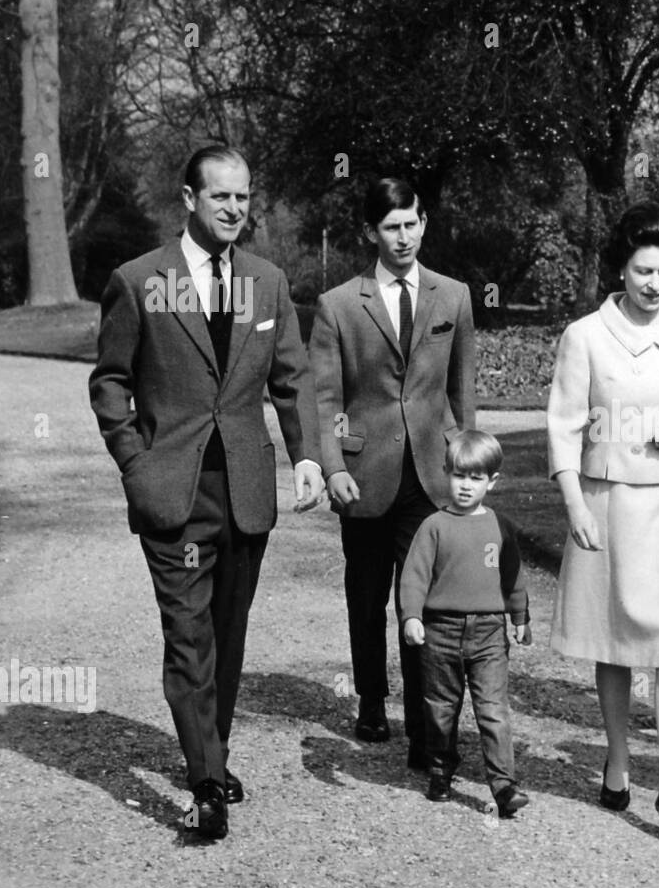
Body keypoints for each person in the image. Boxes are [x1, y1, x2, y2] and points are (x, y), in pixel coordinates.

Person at [89, 145, 325, 839]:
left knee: (227, 634)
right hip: (174, 491)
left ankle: (211, 751)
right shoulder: (139, 281)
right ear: (188, 198)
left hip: (245, 488)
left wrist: (306, 456)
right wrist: (137, 462)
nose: (234, 209)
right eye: (220, 197)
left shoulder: (267, 282)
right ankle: (204, 782)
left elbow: (293, 378)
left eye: (243, 198)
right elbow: (109, 382)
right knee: (189, 638)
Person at [547, 199, 659, 846]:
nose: (657, 284)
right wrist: (572, 505)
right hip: (606, 505)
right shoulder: (586, 337)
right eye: (644, 271)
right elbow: (564, 426)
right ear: (620, 270)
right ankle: (619, 757)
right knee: (615, 643)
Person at [310, 178, 476, 765]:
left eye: (410, 224)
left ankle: (422, 714)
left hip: (429, 474)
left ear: (424, 223)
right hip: (364, 472)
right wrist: (332, 467)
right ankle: (371, 697)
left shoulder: (452, 296)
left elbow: (462, 391)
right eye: (389, 227)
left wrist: (467, 460)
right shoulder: (338, 306)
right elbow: (326, 398)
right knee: (367, 593)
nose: (402, 237)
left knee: (422, 597)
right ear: (369, 233)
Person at [399, 430, 532, 817]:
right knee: (441, 707)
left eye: (476, 478)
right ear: (446, 473)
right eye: (459, 476)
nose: (465, 486)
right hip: (440, 631)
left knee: (493, 710)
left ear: (492, 482)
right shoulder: (434, 526)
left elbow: (513, 577)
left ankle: (504, 785)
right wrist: (412, 616)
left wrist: (520, 618)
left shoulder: (500, 527)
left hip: (489, 631)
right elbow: (414, 576)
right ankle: (441, 768)